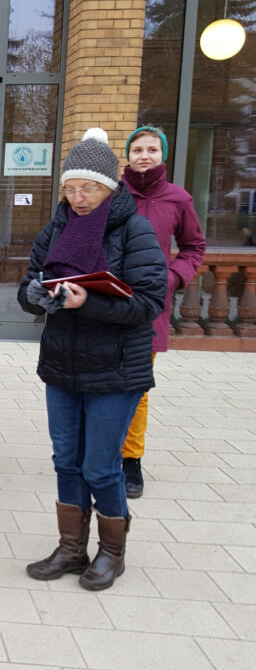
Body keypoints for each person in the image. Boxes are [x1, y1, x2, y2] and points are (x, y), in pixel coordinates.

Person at [17, 129, 166, 591]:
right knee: (66, 460)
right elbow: (28, 285)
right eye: (71, 188)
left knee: (102, 465)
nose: (78, 198)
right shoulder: (55, 228)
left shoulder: (134, 229)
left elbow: (149, 302)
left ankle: (112, 553)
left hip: (117, 368)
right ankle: (71, 548)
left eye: (89, 188)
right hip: (63, 364)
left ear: (110, 187)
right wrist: (38, 297)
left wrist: (89, 303)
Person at [120, 126, 206, 498]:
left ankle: (131, 460)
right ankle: (97, 452)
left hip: (150, 306)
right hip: (110, 299)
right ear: (127, 155)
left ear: (163, 155)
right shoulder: (112, 193)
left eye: (152, 149)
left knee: (136, 387)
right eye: (137, 149)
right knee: (98, 379)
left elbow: (193, 247)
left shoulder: (178, 199)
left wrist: (173, 277)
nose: (144, 155)